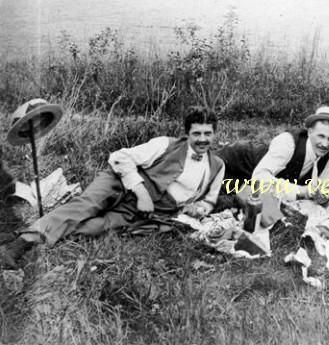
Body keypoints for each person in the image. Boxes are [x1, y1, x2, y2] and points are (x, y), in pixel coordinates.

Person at [0, 107, 225, 269]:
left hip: (146, 212)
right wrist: (141, 192)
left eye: (208, 133)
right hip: (120, 183)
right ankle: (21, 244)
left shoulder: (217, 166)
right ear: (187, 134)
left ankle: (20, 233)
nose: (202, 139)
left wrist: (200, 209)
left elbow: (210, 200)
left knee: (96, 228)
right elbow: (120, 157)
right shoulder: (165, 144)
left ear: (215, 134)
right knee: (84, 206)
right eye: (197, 133)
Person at [217, 106, 329, 203]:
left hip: (255, 181)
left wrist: (323, 196)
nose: (325, 144)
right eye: (321, 136)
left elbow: (325, 186)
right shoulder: (288, 141)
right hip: (232, 167)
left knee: (274, 208)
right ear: (310, 131)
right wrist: (301, 191)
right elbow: (259, 178)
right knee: (266, 213)